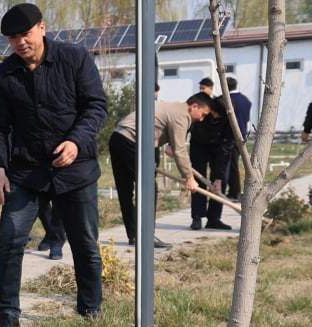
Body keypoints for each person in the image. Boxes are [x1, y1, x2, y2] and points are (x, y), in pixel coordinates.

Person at [0, 3, 108, 327]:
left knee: (85, 242)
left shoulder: (74, 58)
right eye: (13, 38)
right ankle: (8, 315)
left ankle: (90, 310)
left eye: (25, 34)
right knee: (10, 240)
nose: (20, 42)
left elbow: (96, 106)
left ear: (42, 27)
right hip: (26, 173)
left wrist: (76, 142)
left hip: (75, 169)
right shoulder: (4, 74)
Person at [108, 92, 212, 247]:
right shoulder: (182, 115)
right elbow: (180, 150)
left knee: (126, 191)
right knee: (149, 189)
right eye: (203, 114)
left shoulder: (174, 108)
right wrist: (189, 177)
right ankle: (146, 237)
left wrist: (173, 149)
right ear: (194, 106)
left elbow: (172, 147)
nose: (202, 119)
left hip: (118, 138)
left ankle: (135, 236)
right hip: (131, 142)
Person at [189, 92, 234, 231]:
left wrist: (219, 177)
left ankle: (214, 219)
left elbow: (227, 147)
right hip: (199, 146)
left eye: (218, 116)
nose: (214, 117)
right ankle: (197, 217)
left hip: (219, 149)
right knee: (198, 180)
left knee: (221, 181)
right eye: (213, 114)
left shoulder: (230, 119)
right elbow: (187, 122)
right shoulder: (204, 109)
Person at [224, 76, 252, 200]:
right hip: (242, 135)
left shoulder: (227, 100)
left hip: (229, 136)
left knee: (229, 165)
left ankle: (234, 191)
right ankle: (234, 191)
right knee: (234, 163)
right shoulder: (245, 100)